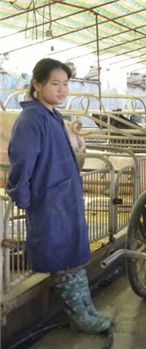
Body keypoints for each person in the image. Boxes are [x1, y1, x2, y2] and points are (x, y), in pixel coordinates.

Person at [7, 58, 112, 334]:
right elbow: (22, 162)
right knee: (63, 260)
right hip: (48, 202)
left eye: (65, 84)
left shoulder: (53, 116)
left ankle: (87, 310)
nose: (62, 90)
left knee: (73, 259)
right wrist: (24, 197)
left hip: (64, 199)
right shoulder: (31, 120)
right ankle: (81, 317)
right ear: (37, 84)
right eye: (55, 84)